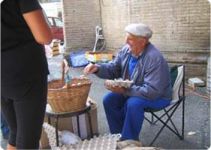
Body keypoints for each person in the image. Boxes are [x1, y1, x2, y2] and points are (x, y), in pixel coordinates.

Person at [84, 23, 172, 141]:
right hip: (133, 91)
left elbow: (153, 91)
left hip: (158, 97)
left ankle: (129, 141)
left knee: (133, 103)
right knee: (109, 100)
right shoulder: (127, 50)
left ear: (143, 41)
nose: (126, 42)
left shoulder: (154, 58)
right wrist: (98, 68)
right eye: (126, 38)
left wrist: (125, 90)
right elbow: (114, 68)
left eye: (130, 39)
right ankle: (118, 136)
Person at [1, 0, 52, 149]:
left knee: (15, 132)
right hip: (26, 74)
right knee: (28, 141)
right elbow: (44, 36)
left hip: (3, 77)